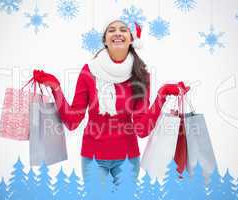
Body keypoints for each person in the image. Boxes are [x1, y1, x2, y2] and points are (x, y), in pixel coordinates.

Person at [33, 19, 189, 186]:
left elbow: (142, 129)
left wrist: (161, 95)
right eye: (111, 30)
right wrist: (56, 88)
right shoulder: (88, 72)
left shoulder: (141, 75)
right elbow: (72, 121)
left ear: (131, 40)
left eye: (123, 29)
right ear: (105, 40)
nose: (117, 32)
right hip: (93, 157)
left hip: (128, 158)